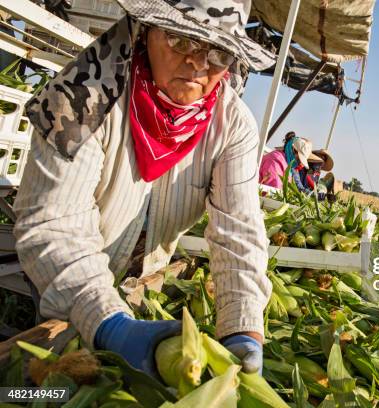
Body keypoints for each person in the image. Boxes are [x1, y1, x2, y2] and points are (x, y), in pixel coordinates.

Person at [13, 0, 276, 377]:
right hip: (72, 282)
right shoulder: (81, 96)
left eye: (218, 52)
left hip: (147, 283)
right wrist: (109, 323)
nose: (198, 64)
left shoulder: (232, 126)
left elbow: (240, 232)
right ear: (146, 31)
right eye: (181, 40)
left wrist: (243, 328)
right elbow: (54, 224)